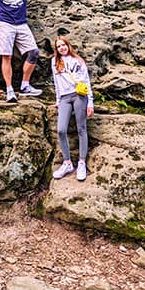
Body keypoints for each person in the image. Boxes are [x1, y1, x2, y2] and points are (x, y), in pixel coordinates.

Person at [51, 35, 94, 182]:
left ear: (68, 45)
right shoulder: (55, 62)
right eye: (58, 46)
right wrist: (57, 100)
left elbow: (86, 81)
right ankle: (67, 163)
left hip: (79, 95)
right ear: (56, 49)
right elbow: (56, 83)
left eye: (64, 45)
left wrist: (90, 103)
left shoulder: (78, 60)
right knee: (61, 129)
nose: (62, 48)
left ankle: (81, 163)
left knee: (81, 128)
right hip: (64, 97)